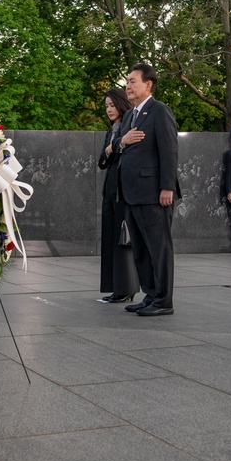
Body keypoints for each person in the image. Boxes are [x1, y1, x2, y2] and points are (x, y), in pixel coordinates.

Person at [117, 63, 180, 316]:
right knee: (141, 249)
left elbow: (169, 150)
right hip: (132, 194)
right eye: (127, 81)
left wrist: (167, 187)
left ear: (148, 84)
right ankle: (151, 294)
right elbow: (120, 150)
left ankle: (164, 300)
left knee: (159, 248)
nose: (128, 86)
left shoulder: (159, 111)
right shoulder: (131, 115)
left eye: (133, 81)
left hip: (154, 194)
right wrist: (122, 142)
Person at [97, 89, 139, 303]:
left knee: (124, 241)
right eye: (106, 106)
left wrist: (114, 147)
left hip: (124, 191)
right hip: (110, 191)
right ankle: (115, 287)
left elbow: (127, 154)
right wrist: (111, 148)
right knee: (111, 239)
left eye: (112, 105)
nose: (109, 110)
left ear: (121, 104)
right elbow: (102, 161)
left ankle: (126, 288)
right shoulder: (112, 131)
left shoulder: (131, 126)